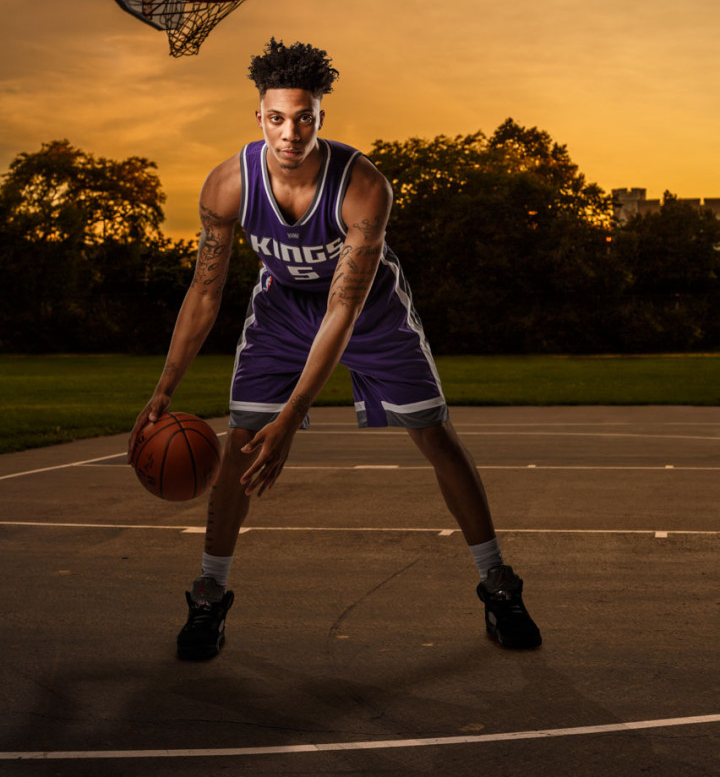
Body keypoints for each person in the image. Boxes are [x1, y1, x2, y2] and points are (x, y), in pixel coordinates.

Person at [129, 38, 541, 659]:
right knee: (241, 439)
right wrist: (165, 388)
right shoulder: (227, 185)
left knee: (435, 435)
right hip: (283, 310)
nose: (290, 132)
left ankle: (498, 584)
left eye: (304, 117)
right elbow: (205, 293)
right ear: (259, 116)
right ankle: (209, 597)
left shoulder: (363, 187)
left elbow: (343, 308)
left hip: (368, 310)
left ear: (321, 116)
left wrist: (295, 416)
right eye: (276, 117)